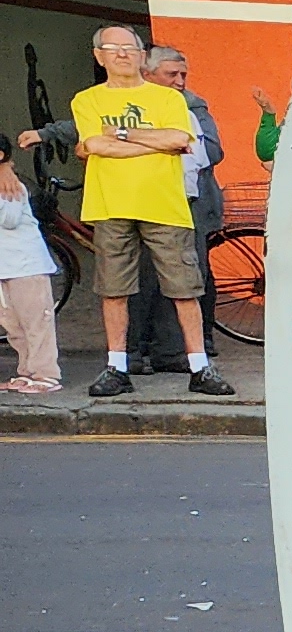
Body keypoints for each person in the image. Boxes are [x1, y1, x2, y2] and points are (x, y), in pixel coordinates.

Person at [11, 24, 227, 398]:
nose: (123, 54)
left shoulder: (168, 98)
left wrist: (122, 135)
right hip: (110, 204)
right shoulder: (88, 100)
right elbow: (94, 143)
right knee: (114, 289)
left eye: (130, 48)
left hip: (166, 204)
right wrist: (149, 142)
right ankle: (116, 366)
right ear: (100, 56)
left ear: (142, 55)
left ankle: (200, 367)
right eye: (113, 48)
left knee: (184, 287)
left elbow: (179, 139)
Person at [146, 44, 227, 350]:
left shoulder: (193, 106)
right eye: (172, 74)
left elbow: (214, 151)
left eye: (183, 74)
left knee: (195, 271)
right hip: (161, 198)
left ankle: (202, 338)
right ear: (148, 74)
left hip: (197, 200)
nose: (180, 81)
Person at [0, 149, 57, 394]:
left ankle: (46, 374)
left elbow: (10, 219)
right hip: (6, 267)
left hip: (26, 265)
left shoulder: (10, 186)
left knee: (36, 322)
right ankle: (26, 371)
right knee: (13, 325)